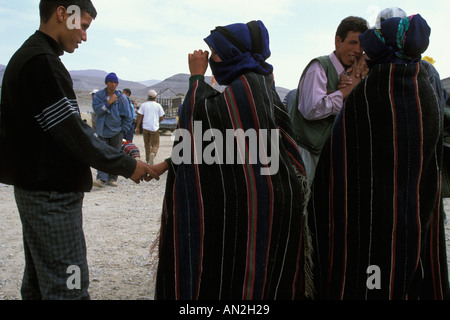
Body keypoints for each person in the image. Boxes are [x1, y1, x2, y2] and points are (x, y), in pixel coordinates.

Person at [0, 0, 158, 300]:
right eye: (83, 26)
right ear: (63, 13)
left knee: (39, 284)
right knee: (68, 286)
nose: (84, 36)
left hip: (38, 189)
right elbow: (74, 135)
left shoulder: (32, 57)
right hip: (52, 196)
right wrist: (127, 166)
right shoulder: (41, 62)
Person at [152, 20, 311, 300]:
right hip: (265, 203)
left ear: (231, 54)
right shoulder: (261, 83)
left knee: (233, 275)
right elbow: (205, 145)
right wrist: (168, 163)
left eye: (214, 54)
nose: (210, 60)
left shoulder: (245, 90)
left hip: (249, 207)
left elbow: (195, 122)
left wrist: (197, 78)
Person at [308, 14, 450, 299]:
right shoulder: (424, 90)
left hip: (367, 225)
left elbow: (338, 162)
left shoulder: (369, 95)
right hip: (413, 219)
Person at [288, 16, 369, 184]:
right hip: (305, 152)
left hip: (327, 154)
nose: (357, 50)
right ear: (338, 41)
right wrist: (344, 92)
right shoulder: (318, 67)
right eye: (353, 43)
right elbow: (311, 109)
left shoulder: (355, 72)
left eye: (361, 45)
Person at [92, 72, 134, 187]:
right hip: (102, 130)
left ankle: (112, 178)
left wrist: (123, 130)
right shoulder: (99, 96)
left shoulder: (122, 98)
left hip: (116, 131)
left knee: (115, 154)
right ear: (106, 82)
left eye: (115, 82)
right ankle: (101, 178)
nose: (113, 84)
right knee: (102, 154)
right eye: (111, 82)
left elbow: (128, 116)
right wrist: (108, 103)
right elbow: (97, 110)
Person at [135, 89, 165, 165]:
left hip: (145, 128)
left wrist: (137, 127)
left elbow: (140, 116)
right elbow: (162, 117)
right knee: (155, 144)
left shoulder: (144, 105)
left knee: (147, 144)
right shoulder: (158, 105)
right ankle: (153, 154)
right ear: (155, 97)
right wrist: (157, 122)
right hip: (154, 128)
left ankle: (148, 160)